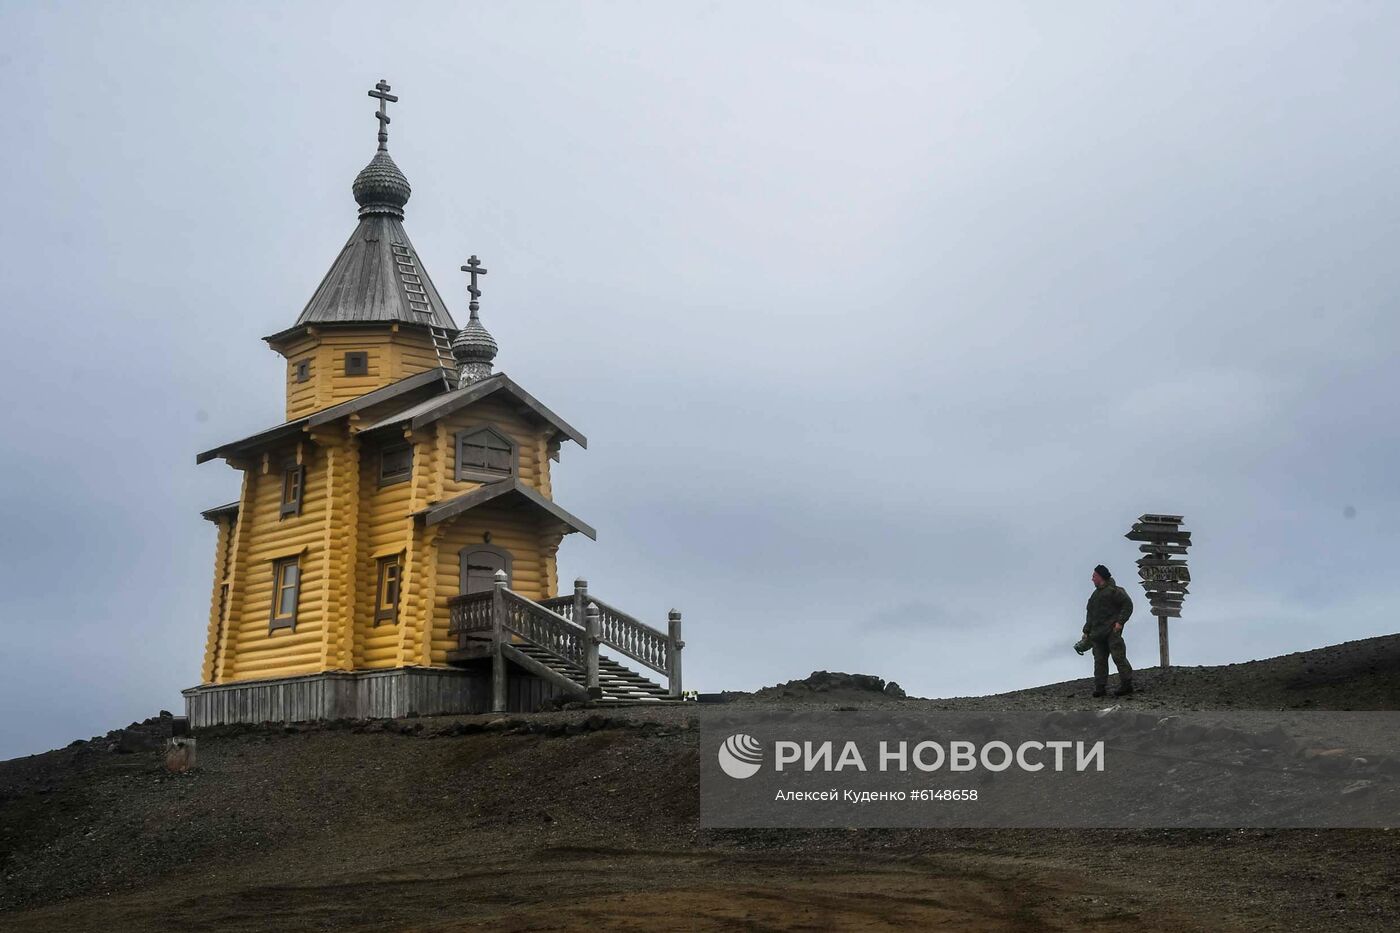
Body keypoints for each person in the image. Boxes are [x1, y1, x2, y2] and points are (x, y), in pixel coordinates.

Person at [1083, 563, 1134, 697]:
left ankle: (1126, 684)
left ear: (1100, 577)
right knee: (1099, 660)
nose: (1092, 578)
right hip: (1097, 634)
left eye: (1094, 576)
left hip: (1112, 631)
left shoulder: (1114, 591)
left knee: (1118, 656)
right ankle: (1100, 687)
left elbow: (1128, 604)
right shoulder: (1094, 596)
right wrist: (1086, 631)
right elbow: (1090, 615)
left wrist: (1120, 622)